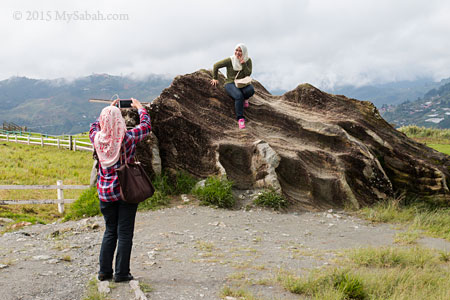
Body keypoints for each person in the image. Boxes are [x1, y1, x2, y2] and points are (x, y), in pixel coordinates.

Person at [89, 98, 151, 282]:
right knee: (124, 232)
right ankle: (122, 273)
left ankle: (104, 272)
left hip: (105, 193)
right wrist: (140, 109)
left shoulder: (96, 137)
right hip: (127, 191)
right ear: (120, 121)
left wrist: (109, 108)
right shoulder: (128, 138)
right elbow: (146, 127)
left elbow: (94, 125)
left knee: (110, 231)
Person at [210, 43, 255, 129]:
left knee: (251, 90)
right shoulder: (230, 60)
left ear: (244, 52)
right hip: (230, 83)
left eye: (240, 51)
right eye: (236, 50)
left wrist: (243, 64)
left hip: (242, 83)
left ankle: (245, 98)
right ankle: (240, 119)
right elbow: (216, 65)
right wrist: (215, 78)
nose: (237, 53)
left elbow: (248, 73)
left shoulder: (248, 60)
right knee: (238, 96)